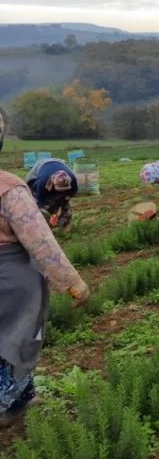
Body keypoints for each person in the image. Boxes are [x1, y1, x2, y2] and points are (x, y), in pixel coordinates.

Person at [1, 169, 90, 428]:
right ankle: (8, 403)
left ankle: (22, 398)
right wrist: (72, 282)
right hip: (11, 283)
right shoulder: (8, 189)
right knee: (20, 338)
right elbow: (40, 242)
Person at [25, 158, 78, 231]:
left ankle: (64, 224)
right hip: (41, 166)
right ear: (53, 184)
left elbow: (73, 191)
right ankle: (40, 226)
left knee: (64, 203)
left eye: (63, 189)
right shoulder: (42, 181)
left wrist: (63, 202)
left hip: (59, 163)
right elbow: (41, 198)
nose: (61, 192)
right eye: (59, 189)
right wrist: (51, 210)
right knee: (37, 203)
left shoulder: (72, 178)